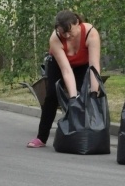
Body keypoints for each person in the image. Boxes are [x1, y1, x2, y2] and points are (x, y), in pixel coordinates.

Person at [27, 10, 102, 148]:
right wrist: (72, 98)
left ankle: (83, 134)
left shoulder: (91, 33)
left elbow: (94, 67)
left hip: (83, 65)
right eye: (63, 33)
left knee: (85, 95)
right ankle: (41, 138)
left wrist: (93, 92)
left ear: (77, 23)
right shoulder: (55, 39)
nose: (67, 36)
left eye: (69, 31)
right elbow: (66, 71)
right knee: (52, 95)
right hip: (58, 64)